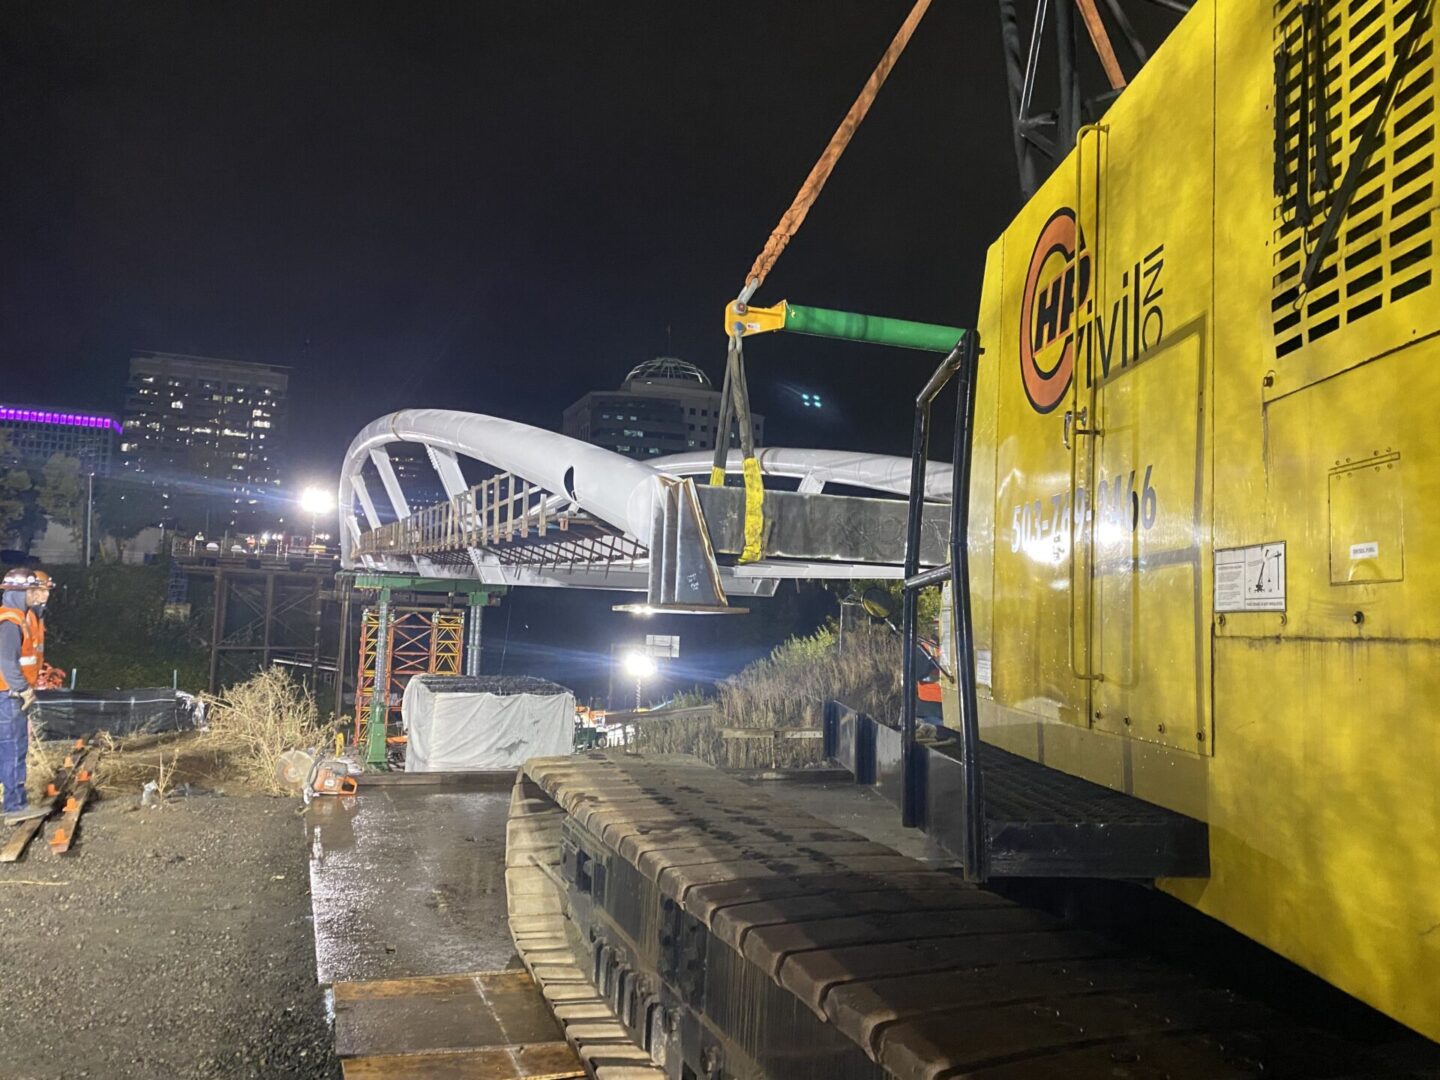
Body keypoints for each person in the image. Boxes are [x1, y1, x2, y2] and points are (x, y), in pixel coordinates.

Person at [0, 568, 51, 824]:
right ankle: (14, 806)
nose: (37, 595)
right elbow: (7, 661)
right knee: (14, 748)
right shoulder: (11, 621)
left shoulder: (19, 617)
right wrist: (23, 689)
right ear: (19, 592)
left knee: (7, 748)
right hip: (8, 695)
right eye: (32, 590)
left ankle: (11, 799)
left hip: (6, 693)